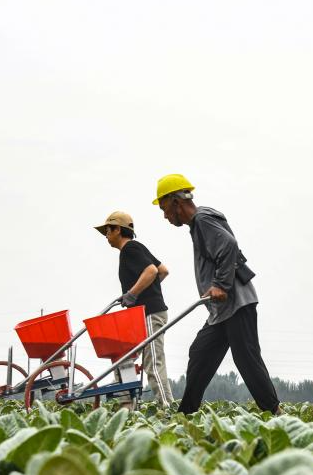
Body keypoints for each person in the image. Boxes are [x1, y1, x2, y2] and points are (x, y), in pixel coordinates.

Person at [153, 174, 280, 414]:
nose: (165, 216)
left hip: (236, 303)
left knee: (247, 359)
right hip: (221, 310)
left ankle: (275, 412)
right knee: (200, 353)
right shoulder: (199, 223)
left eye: (164, 209)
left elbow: (229, 245)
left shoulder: (202, 220)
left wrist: (221, 284)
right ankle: (186, 413)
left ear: (175, 202)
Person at [94, 211, 174, 407]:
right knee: (123, 355)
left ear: (118, 230)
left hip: (150, 312)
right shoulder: (134, 249)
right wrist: (146, 289)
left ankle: (168, 408)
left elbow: (152, 270)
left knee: (153, 362)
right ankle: (126, 404)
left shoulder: (130, 249)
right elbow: (162, 270)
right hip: (141, 313)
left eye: (108, 231)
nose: (106, 236)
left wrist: (134, 293)